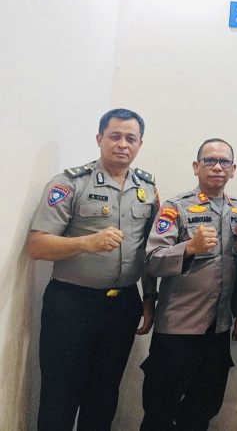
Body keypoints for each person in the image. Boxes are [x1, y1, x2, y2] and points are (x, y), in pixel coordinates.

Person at [27, 108, 158, 431]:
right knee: (60, 396)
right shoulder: (70, 183)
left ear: (140, 144)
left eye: (131, 138)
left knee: (103, 396)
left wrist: (148, 298)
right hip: (72, 305)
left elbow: (149, 250)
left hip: (123, 305)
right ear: (100, 139)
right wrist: (86, 243)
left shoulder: (147, 188)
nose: (122, 144)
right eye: (115, 136)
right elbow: (37, 245)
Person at [140, 138, 237, 430]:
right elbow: (151, 260)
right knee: (159, 411)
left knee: (203, 410)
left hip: (218, 329)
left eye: (224, 162)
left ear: (233, 169)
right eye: (209, 160)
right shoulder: (176, 207)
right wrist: (188, 248)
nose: (217, 167)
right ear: (196, 166)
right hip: (178, 329)